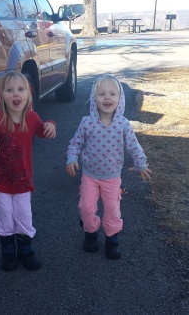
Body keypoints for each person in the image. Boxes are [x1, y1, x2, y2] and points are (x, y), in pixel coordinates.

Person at [0, 71, 56, 271]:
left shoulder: (32, 117)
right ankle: (8, 251)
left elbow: (42, 130)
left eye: (20, 89)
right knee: (5, 213)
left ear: (28, 94)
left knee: (23, 213)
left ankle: (26, 250)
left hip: (23, 178)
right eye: (10, 90)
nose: (16, 94)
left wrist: (51, 124)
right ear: (2, 96)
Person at [66, 74, 152, 260]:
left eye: (112, 94)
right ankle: (91, 234)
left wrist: (140, 164)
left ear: (119, 99)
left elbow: (133, 145)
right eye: (102, 94)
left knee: (112, 210)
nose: (107, 98)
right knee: (87, 209)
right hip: (89, 176)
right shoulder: (86, 122)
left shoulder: (123, 124)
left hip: (112, 178)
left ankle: (112, 241)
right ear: (93, 98)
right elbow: (75, 143)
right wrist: (71, 158)